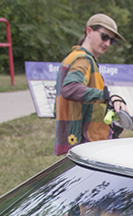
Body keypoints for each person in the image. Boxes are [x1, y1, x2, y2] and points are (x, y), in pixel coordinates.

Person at [54, 13, 129, 156]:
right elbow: (70, 88)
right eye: (104, 37)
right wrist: (107, 95)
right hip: (84, 143)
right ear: (89, 31)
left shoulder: (79, 58)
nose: (107, 44)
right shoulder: (82, 60)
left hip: (84, 140)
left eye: (111, 41)